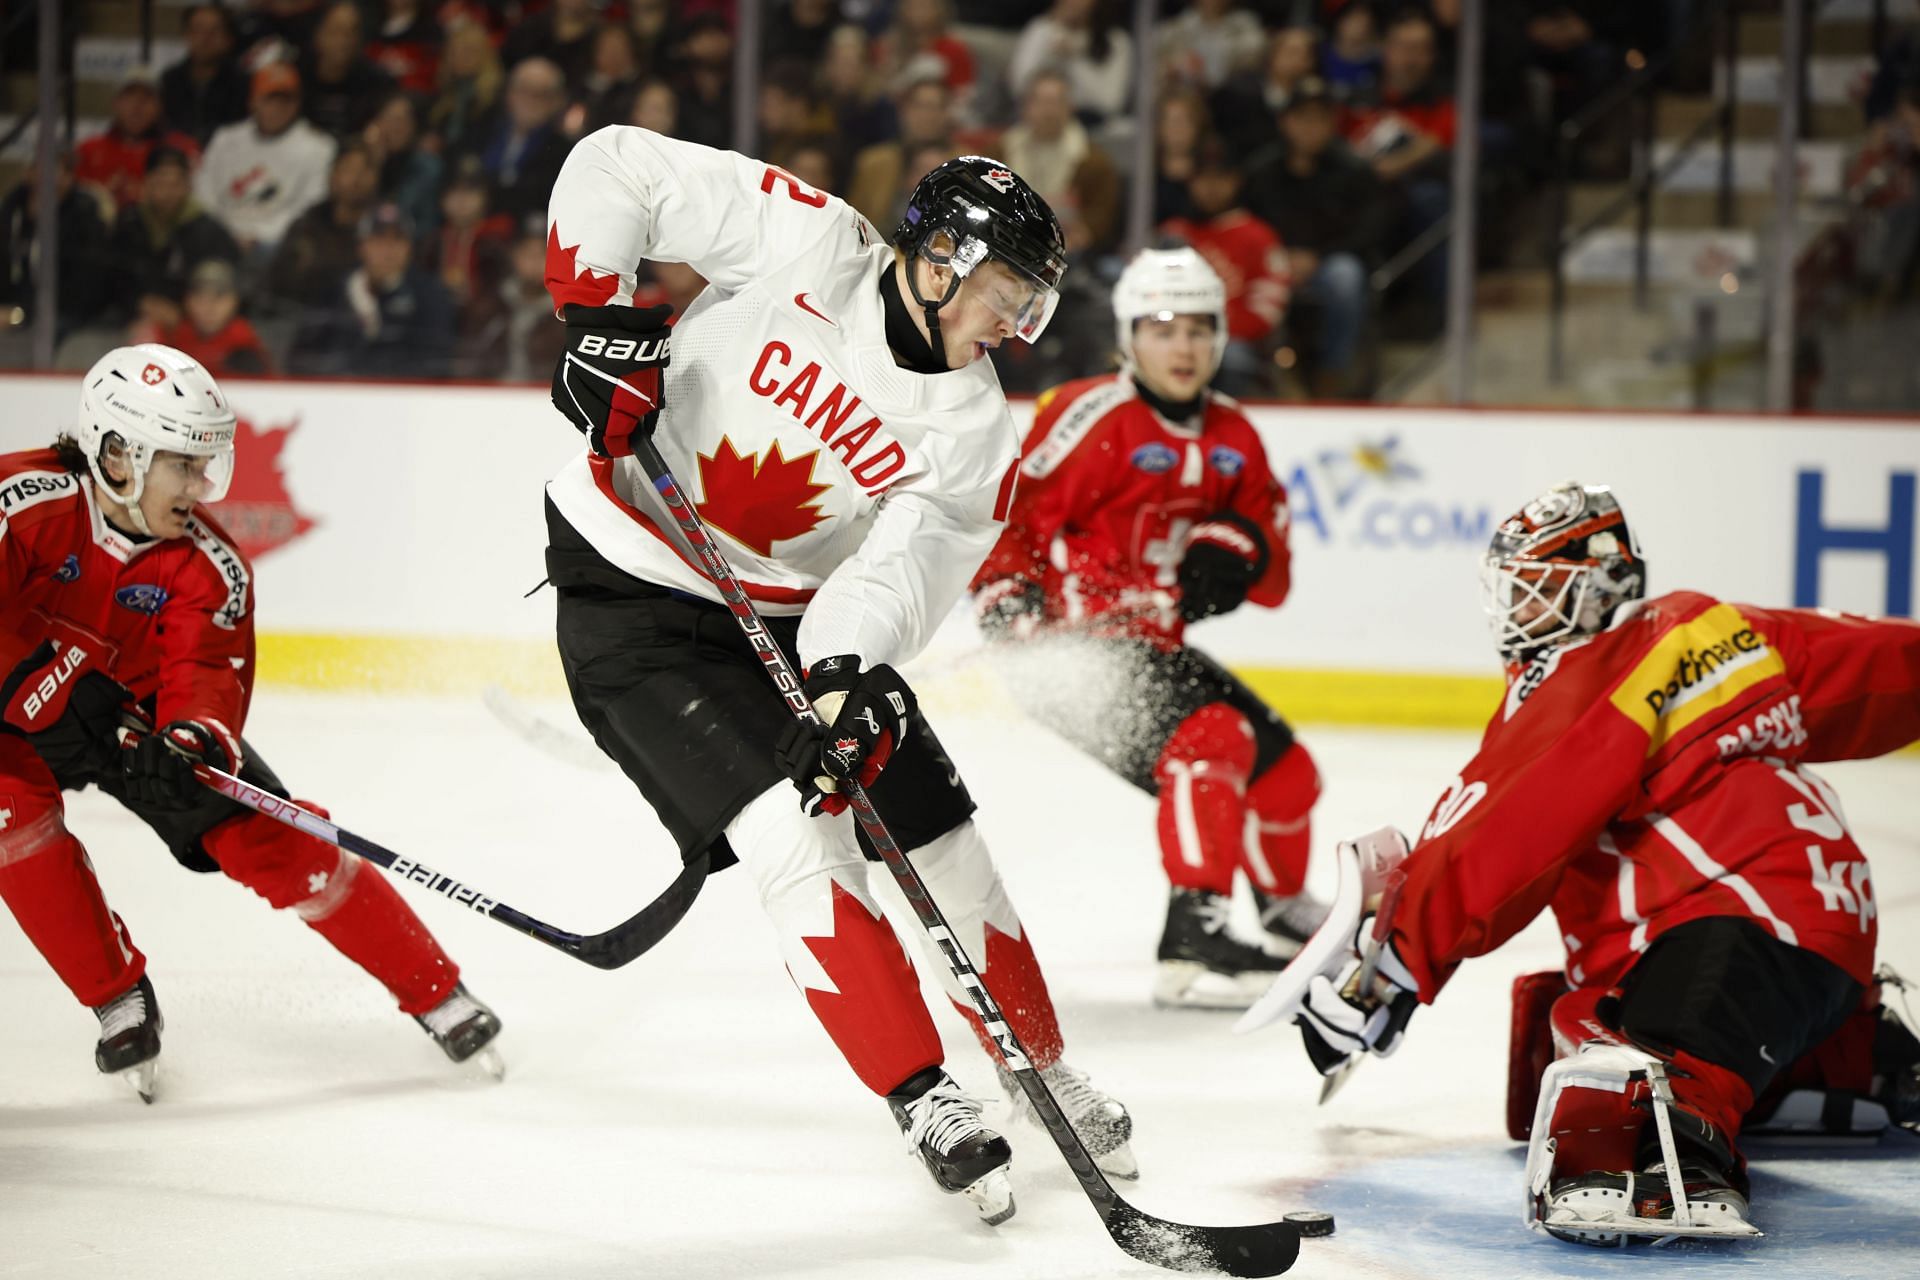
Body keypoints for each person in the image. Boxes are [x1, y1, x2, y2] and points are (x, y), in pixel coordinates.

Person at [541, 135, 1134, 1223]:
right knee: (795, 834)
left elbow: (895, 572)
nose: (1015, 323)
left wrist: (844, 679)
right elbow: (615, 166)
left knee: (937, 825)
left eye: (1030, 303)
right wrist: (597, 316)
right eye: (1008, 290)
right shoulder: (807, 241)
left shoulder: (972, 434)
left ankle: (1036, 1062)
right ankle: (924, 1095)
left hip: (789, 619)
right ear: (943, 257)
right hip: (636, 592)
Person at [1282, 481, 1920, 1246]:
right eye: (1513, 593)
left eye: (1539, 592)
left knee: (1619, 1069)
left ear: (1603, 583)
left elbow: (1512, 825)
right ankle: (1848, 1057)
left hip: (1739, 921)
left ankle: (1667, 1150)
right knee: (1562, 1015)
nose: (1519, 615)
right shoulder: (1716, 630)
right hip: (1807, 928)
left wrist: (1392, 963)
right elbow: (1873, 668)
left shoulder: (1597, 671)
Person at [0, 344, 501, 1102]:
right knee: (11, 819)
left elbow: (206, 677)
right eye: (185, 466)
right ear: (117, 455)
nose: (204, 487)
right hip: (13, 716)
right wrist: (45, 682)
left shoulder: (211, 568)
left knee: (272, 837)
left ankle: (437, 991)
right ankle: (117, 999)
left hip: (134, 725)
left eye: (208, 466)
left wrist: (191, 739)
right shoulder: (22, 503)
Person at [969, 247, 1323, 1010]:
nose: (1183, 347)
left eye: (1199, 328)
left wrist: (1241, 545)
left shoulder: (1236, 434)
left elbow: (1275, 577)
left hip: (1153, 647)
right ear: (1129, 337)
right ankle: (1193, 934)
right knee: (1215, 739)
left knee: (1289, 775)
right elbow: (1010, 517)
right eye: (1162, 329)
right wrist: (1007, 603)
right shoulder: (1086, 413)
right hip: (1071, 654)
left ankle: (1282, 909)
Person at [196, 64, 338, 259]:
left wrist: (259, 237)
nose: (277, 108)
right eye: (269, 100)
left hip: (276, 245)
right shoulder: (225, 139)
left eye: (286, 101)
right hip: (220, 238)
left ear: (297, 104)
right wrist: (226, 236)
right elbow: (204, 193)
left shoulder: (319, 147)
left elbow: (310, 207)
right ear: (253, 102)